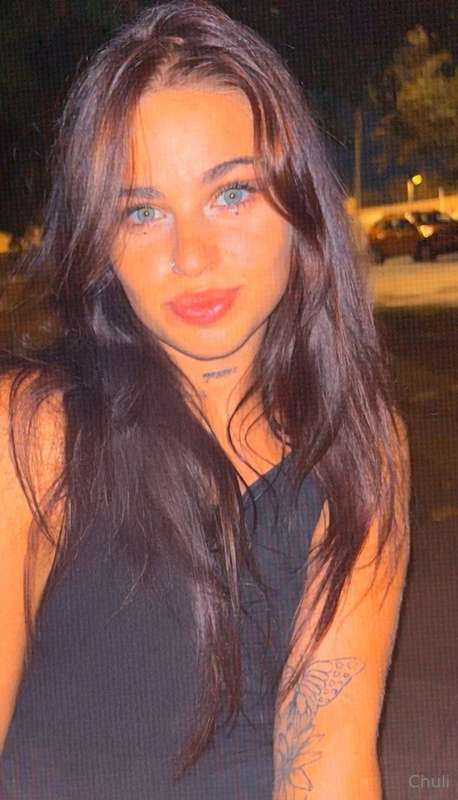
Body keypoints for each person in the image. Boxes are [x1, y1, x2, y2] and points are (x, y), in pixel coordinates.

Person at [0, 2, 410, 797]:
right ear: (101, 246)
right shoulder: (36, 433)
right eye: (143, 211)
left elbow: (330, 759)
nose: (191, 255)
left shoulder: (358, 445)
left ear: (301, 208)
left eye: (231, 194)